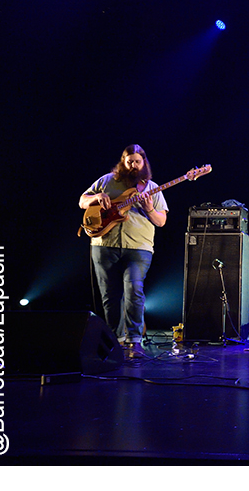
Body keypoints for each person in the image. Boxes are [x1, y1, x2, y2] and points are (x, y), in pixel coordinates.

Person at [79, 144, 168, 358]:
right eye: (130, 162)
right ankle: (114, 340)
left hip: (138, 247)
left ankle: (134, 341)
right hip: (104, 243)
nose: (133, 166)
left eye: (138, 162)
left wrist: (149, 209)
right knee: (109, 294)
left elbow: (161, 221)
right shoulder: (106, 181)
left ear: (144, 163)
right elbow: (83, 200)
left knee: (134, 291)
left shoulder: (152, 188)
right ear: (123, 162)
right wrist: (96, 198)